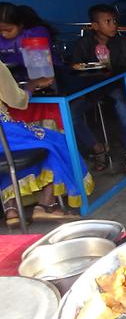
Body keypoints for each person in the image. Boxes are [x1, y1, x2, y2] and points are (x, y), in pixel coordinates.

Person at [71, 4, 126, 174]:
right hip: (93, 88)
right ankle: (97, 148)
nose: (114, 25)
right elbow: (76, 67)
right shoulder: (83, 45)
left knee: (122, 108)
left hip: (118, 86)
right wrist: (90, 70)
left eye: (114, 21)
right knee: (71, 113)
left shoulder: (125, 44)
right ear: (95, 26)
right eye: (108, 21)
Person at [0, 61, 90, 224]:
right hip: (4, 133)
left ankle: (11, 209)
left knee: (8, 156)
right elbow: (18, 101)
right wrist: (32, 84)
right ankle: (47, 204)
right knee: (56, 141)